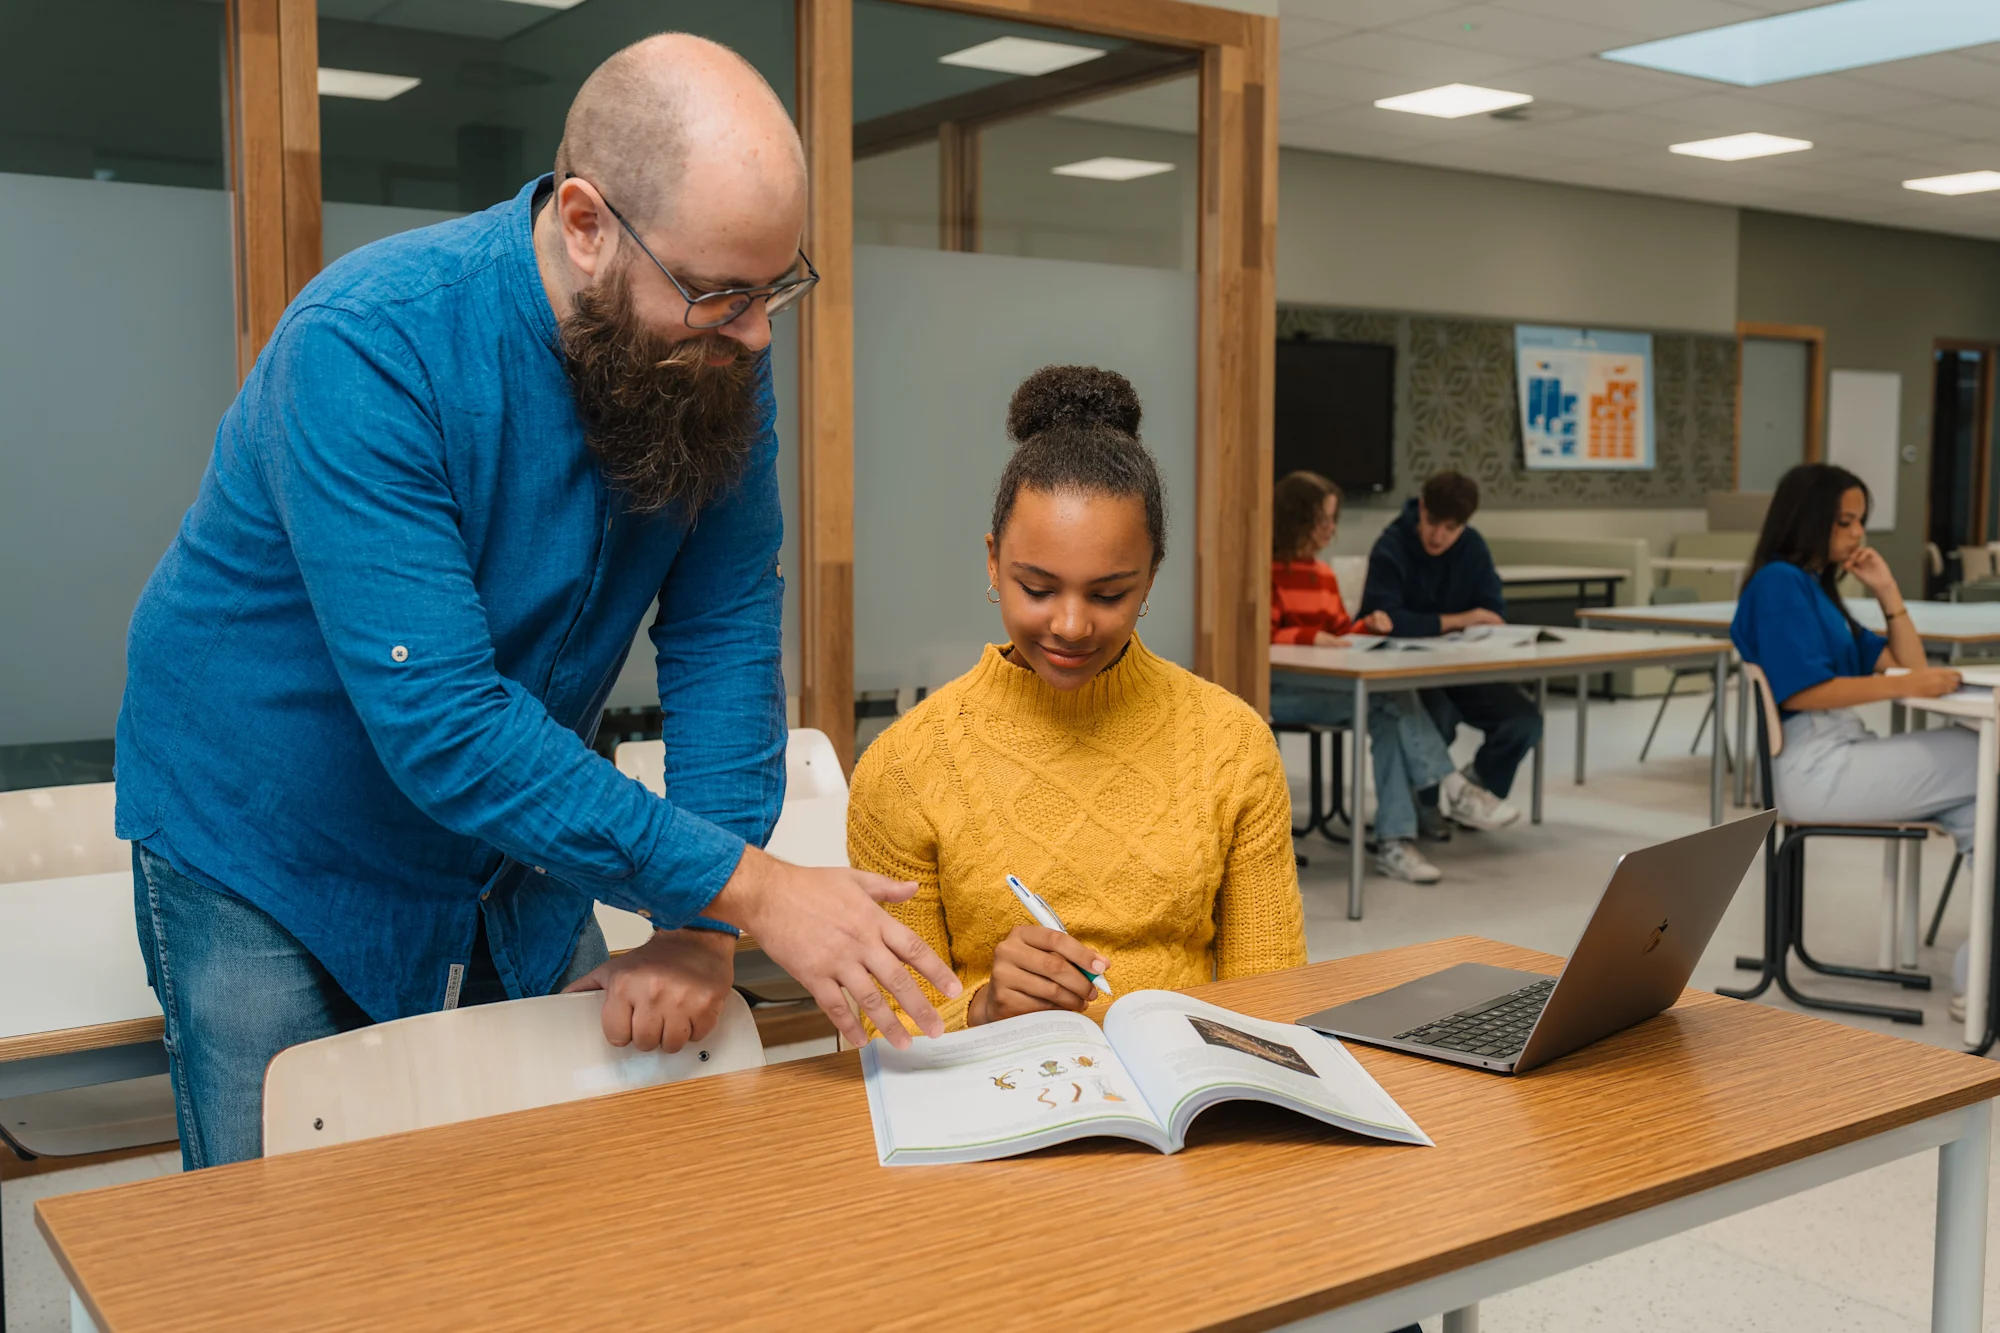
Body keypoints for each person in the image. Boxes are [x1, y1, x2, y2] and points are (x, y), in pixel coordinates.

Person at [117, 34, 956, 1169]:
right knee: (288, 1232)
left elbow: (720, 635)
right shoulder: (368, 346)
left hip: (512, 824)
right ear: (583, 222)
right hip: (269, 831)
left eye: (774, 290)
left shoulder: (714, 350)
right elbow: (446, 723)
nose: (757, 335)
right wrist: (752, 889)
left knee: (550, 1186)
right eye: (719, 293)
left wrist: (701, 928)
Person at [845, 366, 1307, 1032]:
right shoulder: (904, 767)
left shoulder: (1233, 745)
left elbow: (1275, 998)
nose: (1069, 625)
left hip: (1192, 1100)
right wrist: (985, 1007)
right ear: (992, 562)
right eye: (1036, 588)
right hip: (996, 1104)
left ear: (1150, 578)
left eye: (1108, 593)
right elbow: (889, 1027)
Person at [1732, 462, 1972, 883]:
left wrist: (1887, 591)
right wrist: (1900, 684)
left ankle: (1981, 948)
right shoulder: (1778, 584)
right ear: (1809, 519)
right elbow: (1801, 693)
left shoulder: (1814, 587)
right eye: (1846, 522)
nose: (1859, 533)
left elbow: (1908, 665)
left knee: (1979, 808)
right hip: (1815, 769)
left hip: (1840, 754)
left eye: (1861, 521)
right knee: (1978, 753)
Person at [1268, 471, 1460, 884]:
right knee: (1387, 701)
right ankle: (1447, 788)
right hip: (1277, 692)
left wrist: (1367, 628)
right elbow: (1258, 638)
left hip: (1324, 689)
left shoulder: (1323, 575)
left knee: (1388, 706)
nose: (1332, 529)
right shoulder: (1264, 573)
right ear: (1297, 520)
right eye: (1324, 520)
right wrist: (1308, 637)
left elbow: (1339, 634)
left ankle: (1396, 840)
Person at [1361, 470, 1533, 831]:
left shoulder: (1473, 547)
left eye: (1450, 529)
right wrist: (1458, 620)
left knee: (1523, 721)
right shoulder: (1392, 545)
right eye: (1432, 522)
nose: (1438, 536)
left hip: (1463, 667)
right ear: (1421, 508)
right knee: (1435, 713)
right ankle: (1424, 808)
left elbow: (1493, 610)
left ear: (1464, 527)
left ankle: (1474, 793)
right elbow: (1382, 618)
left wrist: (1476, 622)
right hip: (1407, 672)